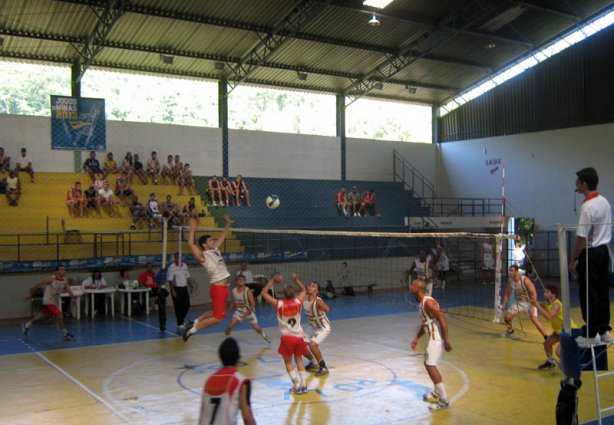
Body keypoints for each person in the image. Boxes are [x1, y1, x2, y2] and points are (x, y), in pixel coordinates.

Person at [569, 167, 612, 346]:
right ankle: (604, 330)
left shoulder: (588, 206)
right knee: (602, 291)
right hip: (604, 251)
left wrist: (574, 259)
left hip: (591, 253)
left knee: (588, 293)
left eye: (578, 181)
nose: (576, 184)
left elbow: (582, 237)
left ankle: (590, 334)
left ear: (584, 183)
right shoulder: (605, 201)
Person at [183, 213, 233, 342]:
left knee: (215, 313)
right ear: (204, 245)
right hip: (218, 288)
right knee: (218, 318)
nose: (213, 241)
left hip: (221, 288)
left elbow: (223, 236)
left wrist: (228, 224)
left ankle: (193, 322)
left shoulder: (215, 249)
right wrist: (193, 229)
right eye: (210, 240)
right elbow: (190, 244)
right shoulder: (203, 255)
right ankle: (192, 330)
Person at [261, 273, 309, 394]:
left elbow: (264, 294)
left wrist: (272, 280)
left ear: (283, 294)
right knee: (299, 361)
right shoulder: (298, 302)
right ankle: (304, 385)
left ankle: (296, 385)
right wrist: (297, 280)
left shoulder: (280, 305)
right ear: (294, 294)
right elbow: (304, 290)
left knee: (288, 362)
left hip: (287, 338)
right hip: (299, 337)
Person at [410, 278, 453, 410]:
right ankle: (436, 392)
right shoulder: (422, 302)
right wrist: (417, 337)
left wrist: (446, 340)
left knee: (430, 365)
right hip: (432, 337)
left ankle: (444, 400)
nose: (410, 286)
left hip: (435, 338)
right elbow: (426, 323)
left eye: (413, 284)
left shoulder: (428, 303)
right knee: (429, 364)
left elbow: (442, 319)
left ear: (419, 289)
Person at [198, 337, 257, 425]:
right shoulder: (240, 381)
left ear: (221, 358)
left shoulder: (209, 381)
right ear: (238, 357)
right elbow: (247, 418)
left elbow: (202, 416)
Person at [21, 265, 75, 341]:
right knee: (59, 315)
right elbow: (37, 285)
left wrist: (73, 298)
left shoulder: (65, 281)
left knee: (42, 316)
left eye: (64, 270)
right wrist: (30, 295)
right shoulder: (51, 279)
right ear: (56, 271)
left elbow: (69, 290)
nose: (63, 271)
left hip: (54, 301)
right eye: (61, 269)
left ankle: (27, 325)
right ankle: (65, 334)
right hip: (48, 301)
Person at [530, 285, 578, 370]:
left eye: (547, 292)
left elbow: (549, 317)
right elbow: (540, 304)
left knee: (559, 352)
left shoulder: (556, 305)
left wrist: (536, 305)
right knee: (547, 344)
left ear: (553, 294)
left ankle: (572, 365)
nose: (544, 294)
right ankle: (550, 362)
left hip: (569, 331)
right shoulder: (548, 303)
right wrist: (531, 300)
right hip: (559, 331)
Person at [294, 274, 331, 377]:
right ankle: (313, 362)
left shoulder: (318, 301)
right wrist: (296, 280)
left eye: (313, 286)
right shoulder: (304, 299)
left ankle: (323, 367)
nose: (310, 287)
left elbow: (327, 309)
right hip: (312, 326)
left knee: (312, 345)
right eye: (310, 285)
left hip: (323, 327)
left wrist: (321, 305)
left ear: (317, 291)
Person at [501, 265, 548, 339]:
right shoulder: (510, 282)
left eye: (512, 270)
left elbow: (533, 293)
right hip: (519, 303)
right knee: (507, 317)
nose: (510, 272)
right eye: (509, 271)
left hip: (530, 302)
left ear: (516, 271)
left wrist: (533, 305)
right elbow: (507, 294)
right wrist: (503, 304)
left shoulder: (525, 280)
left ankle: (546, 337)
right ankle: (510, 330)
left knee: (534, 319)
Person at [224, 275, 271, 343]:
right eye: (239, 279)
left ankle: (264, 336)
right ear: (236, 281)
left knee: (256, 328)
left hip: (249, 311)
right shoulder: (233, 291)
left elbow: (253, 304)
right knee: (229, 326)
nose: (240, 281)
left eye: (242, 280)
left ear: (244, 282)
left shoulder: (248, 291)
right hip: (239, 311)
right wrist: (227, 312)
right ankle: (227, 340)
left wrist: (245, 315)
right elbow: (232, 302)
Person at [167, 253, 194, 330]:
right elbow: (170, 280)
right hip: (176, 288)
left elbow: (187, 276)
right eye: (177, 257)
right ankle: (180, 323)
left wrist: (191, 285)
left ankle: (181, 319)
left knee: (187, 305)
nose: (178, 259)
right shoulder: (172, 267)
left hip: (184, 288)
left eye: (180, 258)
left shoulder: (185, 266)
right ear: (174, 258)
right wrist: (173, 291)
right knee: (178, 306)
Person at [138, 262, 167, 331]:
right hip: (147, 289)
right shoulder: (143, 274)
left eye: (151, 267)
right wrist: (147, 288)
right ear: (146, 268)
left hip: (155, 288)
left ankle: (157, 302)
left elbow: (159, 282)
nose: (149, 268)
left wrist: (159, 288)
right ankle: (148, 305)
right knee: (148, 293)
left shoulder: (154, 274)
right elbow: (140, 283)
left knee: (164, 291)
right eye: (148, 267)